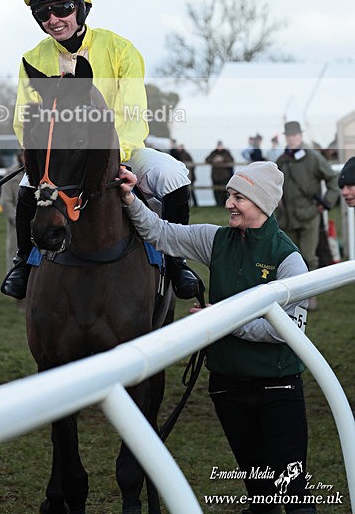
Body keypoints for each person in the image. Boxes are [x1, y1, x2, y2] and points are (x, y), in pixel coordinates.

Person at [118, 161, 316, 514]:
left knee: (295, 497)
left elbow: (286, 330)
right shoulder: (215, 238)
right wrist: (131, 199)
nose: (229, 204)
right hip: (227, 387)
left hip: (278, 388)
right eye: (229, 195)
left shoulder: (289, 260)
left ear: (263, 203)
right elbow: (161, 233)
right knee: (261, 494)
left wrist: (220, 319)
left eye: (239, 197)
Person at [1, 0, 190, 299]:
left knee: (174, 175)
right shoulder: (32, 59)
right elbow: (24, 119)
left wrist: (114, 159)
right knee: (29, 184)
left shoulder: (120, 49)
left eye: (62, 8)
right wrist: (43, 158)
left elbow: (132, 113)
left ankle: (177, 261)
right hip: (61, 158)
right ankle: (23, 262)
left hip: (121, 152)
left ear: (83, 7)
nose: (53, 19)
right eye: (42, 13)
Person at [276, 121, 339, 277]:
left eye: (295, 135)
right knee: (289, 258)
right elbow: (273, 182)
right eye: (289, 135)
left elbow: (333, 179)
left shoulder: (313, 157)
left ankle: (310, 299)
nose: (292, 139)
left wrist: (327, 203)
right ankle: (293, 298)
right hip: (286, 218)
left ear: (301, 135)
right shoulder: (282, 159)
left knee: (308, 258)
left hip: (308, 215)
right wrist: (275, 200)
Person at [205, 141, 234, 206]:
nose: (219, 147)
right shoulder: (213, 152)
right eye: (218, 146)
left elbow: (231, 160)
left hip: (225, 176)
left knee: (225, 191)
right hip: (215, 176)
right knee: (216, 191)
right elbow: (207, 159)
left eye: (220, 146)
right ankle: (218, 204)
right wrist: (214, 159)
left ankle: (225, 204)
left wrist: (222, 159)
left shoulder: (226, 153)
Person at [170, 140, 197, 206]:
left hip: (188, 176)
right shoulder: (176, 154)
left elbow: (192, 164)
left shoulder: (186, 154)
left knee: (191, 191)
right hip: (183, 176)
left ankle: (195, 204)